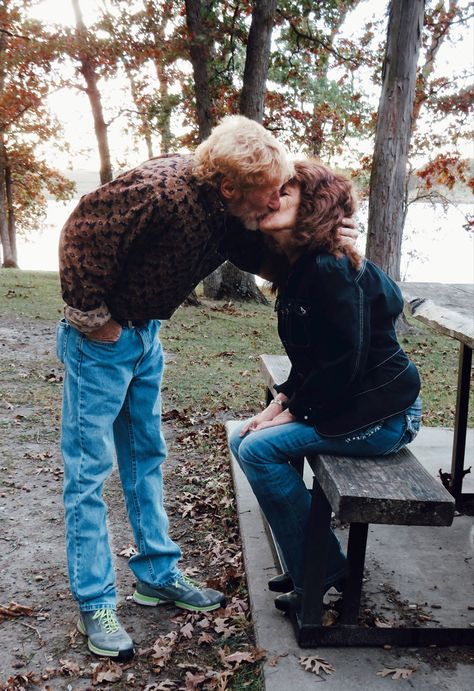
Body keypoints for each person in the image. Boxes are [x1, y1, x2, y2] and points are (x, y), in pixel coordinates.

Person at [57, 115, 358, 660]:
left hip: (144, 337)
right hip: (100, 343)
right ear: (229, 187)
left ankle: (157, 573)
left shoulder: (226, 211)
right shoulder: (160, 192)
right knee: (87, 473)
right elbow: (81, 233)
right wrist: (98, 323)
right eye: (267, 196)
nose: (271, 206)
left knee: (146, 455)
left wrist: (324, 238)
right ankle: (95, 602)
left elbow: (265, 253)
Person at [229, 159, 422, 614]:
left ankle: (320, 567)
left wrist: (293, 413)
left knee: (258, 451)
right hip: (349, 407)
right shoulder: (299, 268)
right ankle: (309, 562)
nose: (272, 200)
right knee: (245, 437)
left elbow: (341, 366)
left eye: (286, 194)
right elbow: (310, 358)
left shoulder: (330, 266)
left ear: (312, 207)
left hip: (382, 417)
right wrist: (276, 406)